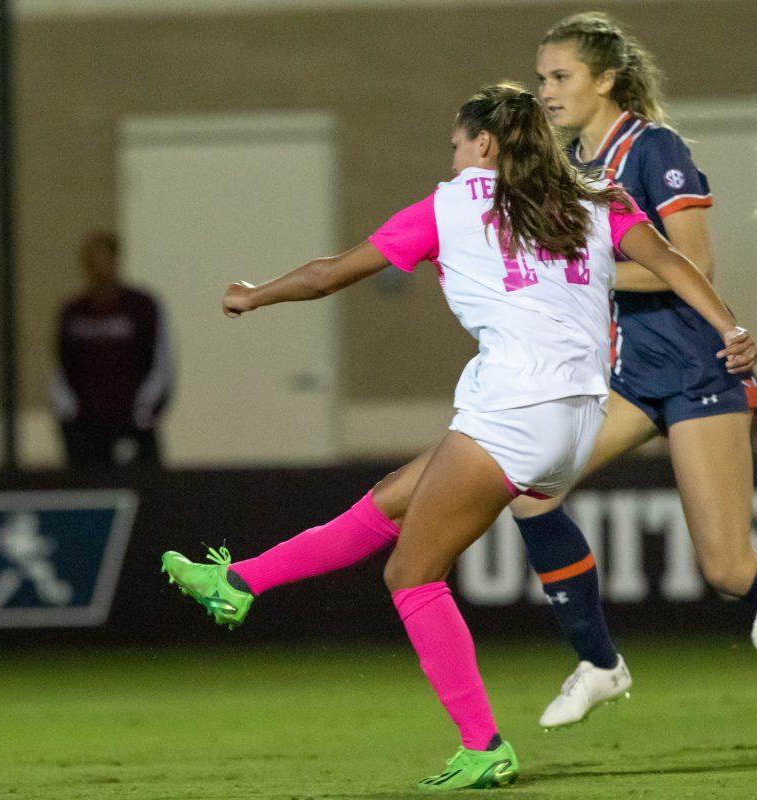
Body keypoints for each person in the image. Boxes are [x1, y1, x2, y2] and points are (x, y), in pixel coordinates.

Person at [160, 83, 754, 791]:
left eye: (456, 143)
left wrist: (253, 293)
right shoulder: (599, 200)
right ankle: (238, 581)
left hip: (514, 413)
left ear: (485, 145)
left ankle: (484, 745)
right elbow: (674, 264)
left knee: (409, 575)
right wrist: (732, 331)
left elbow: (327, 278)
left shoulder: (448, 207)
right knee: (389, 500)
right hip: (578, 419)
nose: (451, 156)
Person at [502, 11, 757, 729]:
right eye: (542, 77)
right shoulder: (568, 168)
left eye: (561, 77)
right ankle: (599, 663)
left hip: (695, 373)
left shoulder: (654, 149)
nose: (546, 91)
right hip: (625, 379)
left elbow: (692, 265)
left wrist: (583, 276)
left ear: (606, 80)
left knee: (731, 572)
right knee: (529, 491)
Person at [50, 232, 172, 467]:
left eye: (104, 259)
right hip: (84, 427)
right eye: (92, 260)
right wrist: (67, 413)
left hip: (133, 423)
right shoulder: (72, 312)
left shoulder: (142, 307)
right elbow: (61, 365)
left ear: (116, 260)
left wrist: (144, 410)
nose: (99, 267)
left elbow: (161, 362)